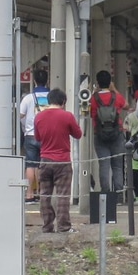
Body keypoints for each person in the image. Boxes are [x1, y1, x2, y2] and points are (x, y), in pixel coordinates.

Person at [33, 87, 82, 234]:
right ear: (63, 102)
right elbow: (78, 134)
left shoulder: (39, 117)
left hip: (45, 160)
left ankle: (47, 226)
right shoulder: (67, 116)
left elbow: (37, 138)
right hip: (62, 161)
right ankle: (63, 227)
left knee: (45, 195)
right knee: (62, 195)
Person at [89, 70, 129, 197]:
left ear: (98, 83)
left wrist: (95, 92)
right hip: (117, 134)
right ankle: (118, 195)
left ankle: (105, 194)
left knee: (104, 164)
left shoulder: (93, 99)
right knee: (117, 165)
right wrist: (114, 89)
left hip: (99, 135)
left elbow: (89, 113)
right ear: (110, 82)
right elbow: (127, 105)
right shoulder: (116, 97)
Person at [18, 69, 50, 203]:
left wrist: (25, 126)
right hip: (46, 136)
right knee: (42, 165)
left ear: (35, 81)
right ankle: (42, 193)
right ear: (47, 80)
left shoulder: (28, 98)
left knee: (31, 165)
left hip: (30, 135)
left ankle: (29, 194)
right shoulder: (51, 97)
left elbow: (19, 115)